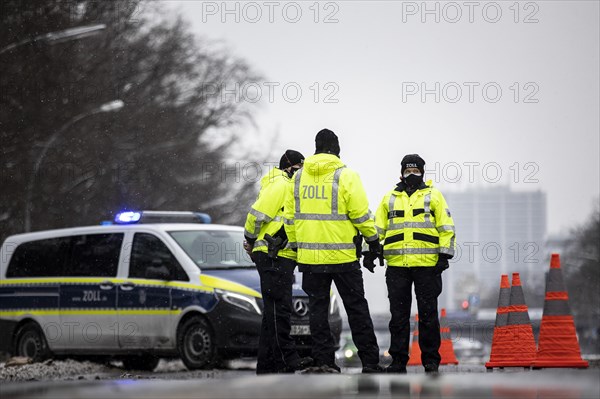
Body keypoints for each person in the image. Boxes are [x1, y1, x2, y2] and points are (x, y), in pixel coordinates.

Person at [283, 129, 383, 373]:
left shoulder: (297, 178)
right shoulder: (346, 176)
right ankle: (369, 362)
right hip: (343, 257)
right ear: (337, 149)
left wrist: (297, 246)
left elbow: (289, 217)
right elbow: (360, 215)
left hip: (310, 259)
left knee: (318, 311)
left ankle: (324, 360)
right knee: (356, 309)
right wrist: (373, 239)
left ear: (315, 148)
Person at [373, 154, 456, 374]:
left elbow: (446, 227)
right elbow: (376, 229)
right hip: (397, 266)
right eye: (408, 171)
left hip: (427, 266)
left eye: (416, 171)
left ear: (422, 173)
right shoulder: (389, 198)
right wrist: (369, 252)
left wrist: (444, 256)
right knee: (398, 317)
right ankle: (398, 360)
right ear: (401, 173)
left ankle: (430, 361)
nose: (412, 175)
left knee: (428, 315)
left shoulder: (434, 196)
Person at [243, 149, 313, 374]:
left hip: (281, 256)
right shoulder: (281, 184)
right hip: (273, 255)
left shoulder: (288, 186)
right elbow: (257, 214)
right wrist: (250, 239)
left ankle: (267, 365)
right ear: (288, 167)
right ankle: (286, 358)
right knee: (279, 309)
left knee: (272, 312)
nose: (300, 173)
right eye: (297, 169)